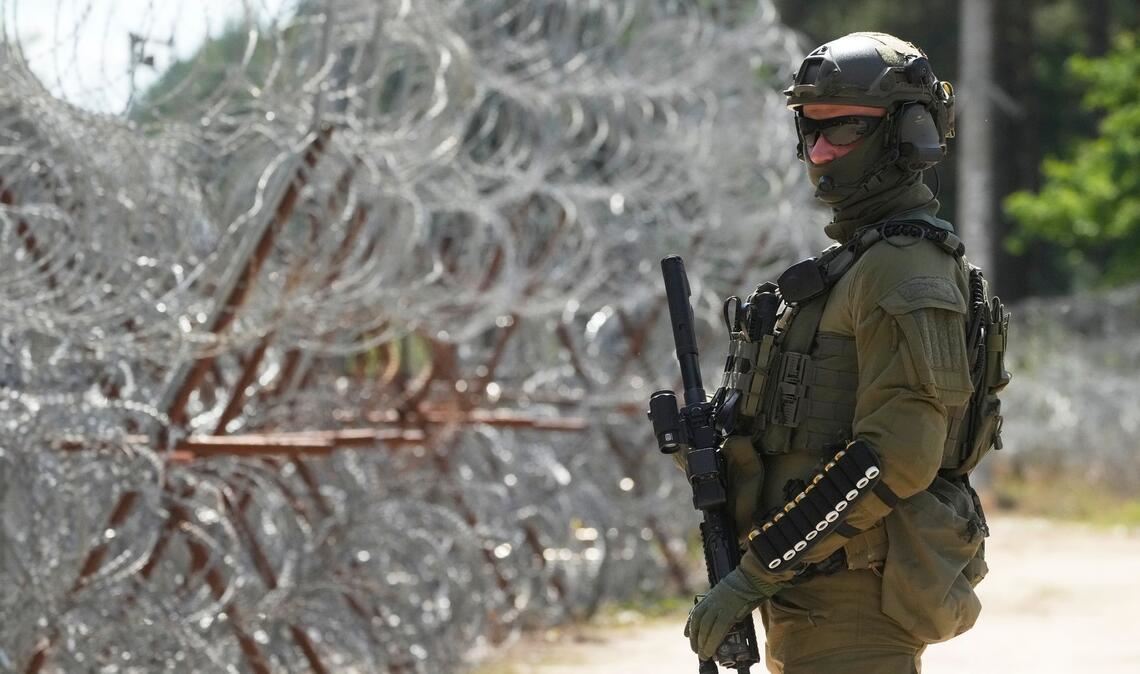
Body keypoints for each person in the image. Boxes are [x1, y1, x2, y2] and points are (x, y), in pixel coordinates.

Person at [684, 32, 997, 674]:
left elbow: (895, 459)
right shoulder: (855, 266)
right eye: (810, 129)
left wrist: (757, 571)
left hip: (854, 602)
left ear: (908, 134)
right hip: (812, 592)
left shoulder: (905, 271)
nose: (820, 151)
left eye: (844, 129)